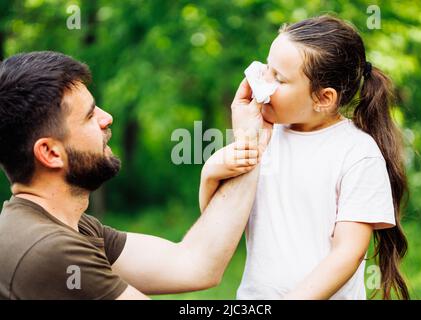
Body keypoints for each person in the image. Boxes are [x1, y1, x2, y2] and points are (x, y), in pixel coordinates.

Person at [0, 51, 267, 299]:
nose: (107, 118)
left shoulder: (68, 227)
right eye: (90, 115)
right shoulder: (51, 251)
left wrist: (251, 143)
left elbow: (194, 264)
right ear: (50, 152)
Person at [199, 15, 410, 300]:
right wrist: (213, 170)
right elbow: (218, 231)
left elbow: (348, 252)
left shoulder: (357, 153)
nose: (263, 84)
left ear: (323, 98)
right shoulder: (263, 136)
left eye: (280, 79)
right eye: (267, 70)